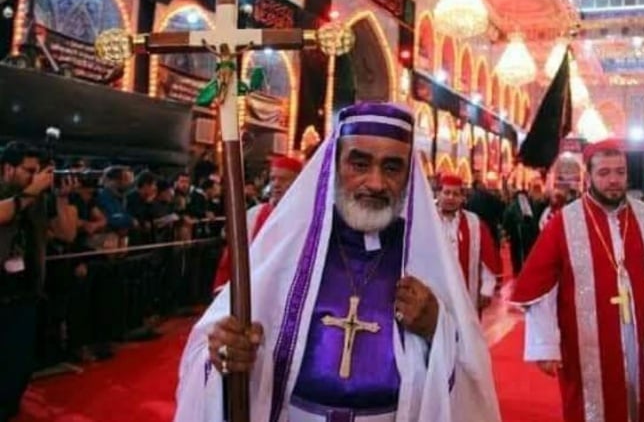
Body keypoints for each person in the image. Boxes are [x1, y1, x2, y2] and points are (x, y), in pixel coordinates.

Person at [175, 103, 500, 421]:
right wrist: (224, 353)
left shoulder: (423, 255)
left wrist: (436, 328)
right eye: (359, 164)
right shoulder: (291, 245)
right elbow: (210, 349)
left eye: (391, 167)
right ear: (334, 166)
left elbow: (472, 377)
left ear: (408, 176)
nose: (375, 183)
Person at [511, 139, 644, 422]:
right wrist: (545, 345)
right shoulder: (565, 222)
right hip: (586, 344)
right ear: (588, 177)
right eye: (604, 172)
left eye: (620, 172)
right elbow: (541, 288)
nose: (613, 180)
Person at [0, 142, 58, 420]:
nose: (34, 177)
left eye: (38, 172)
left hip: (25, 290)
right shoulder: (23, 195)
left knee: (19, 363)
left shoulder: (38, 200)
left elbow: (65, 233)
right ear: (7, 168)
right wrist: (32, 191)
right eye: (28, 170)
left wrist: (61, 198)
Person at [211, 156, 303, 294]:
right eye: (273, 179)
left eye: (283, 179)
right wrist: (223, 287)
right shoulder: (255, 214)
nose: (276, 184)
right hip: (255, 290)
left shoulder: (307, 215)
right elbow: (234, 255)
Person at [437, 173, 502, 311]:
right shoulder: (426, 218)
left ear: (462, 198)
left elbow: (487, 258)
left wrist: (487, 288)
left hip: (465, 290)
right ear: (438, 194)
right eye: (446, 192)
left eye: (455, 194)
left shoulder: (474, 223)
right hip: (434, 290)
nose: (450, 197)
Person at [503, 186, 542, 277]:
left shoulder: (512, 206)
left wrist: (507, 232)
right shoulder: (531, 205)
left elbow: (506, 220)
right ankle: (527, 270)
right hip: (528, 234)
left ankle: (518, 271)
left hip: (516, 233)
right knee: (528, 252)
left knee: (516, 254)